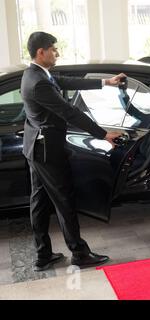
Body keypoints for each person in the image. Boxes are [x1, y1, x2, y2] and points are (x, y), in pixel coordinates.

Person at [21, 32, 124, 272]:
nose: (57, 53)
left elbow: (66, 81)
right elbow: (70, 112)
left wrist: (105, 82)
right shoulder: (39, 83)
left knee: (39, 201)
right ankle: (79, 252)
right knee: (64, 199)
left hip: (35, 147)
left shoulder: (33, 74)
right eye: (54, 49)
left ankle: (43, 255)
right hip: (48, 151)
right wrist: (102, 133)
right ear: (41, 52)